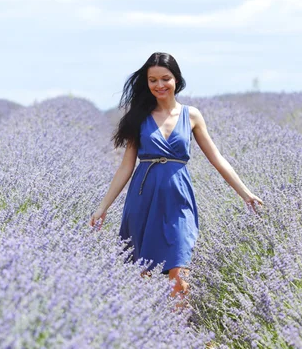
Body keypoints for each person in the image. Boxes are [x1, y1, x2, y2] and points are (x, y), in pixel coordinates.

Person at [89, 52, 264, 307]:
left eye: (165, 78)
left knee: (180, 271)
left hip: (179, 198)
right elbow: (126, 167)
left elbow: (217, 158)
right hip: (143, 197)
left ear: (176, 79)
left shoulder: (191, 115)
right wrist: (102, 207)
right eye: (152, 80)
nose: (159, 85)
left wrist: (246, 193)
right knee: (141, 275)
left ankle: (179, 331)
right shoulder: (139, 118)